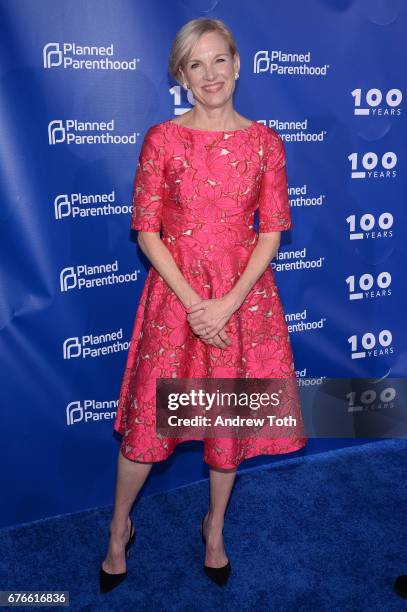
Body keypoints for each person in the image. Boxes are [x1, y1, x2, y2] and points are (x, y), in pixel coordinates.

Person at [99, 17, 308, 593]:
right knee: (148, 423)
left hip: (244, 299)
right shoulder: (162, 140)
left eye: (220, 60)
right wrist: (197, 305)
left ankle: (214, 528)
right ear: (182, 77)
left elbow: (271, 232)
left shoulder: (266, 143)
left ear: (238, 65)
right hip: (176, 300)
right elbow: (147, 232)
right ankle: (119, 530)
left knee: (227, 422)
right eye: (197, 64)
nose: (211, 74)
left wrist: (228, 303)